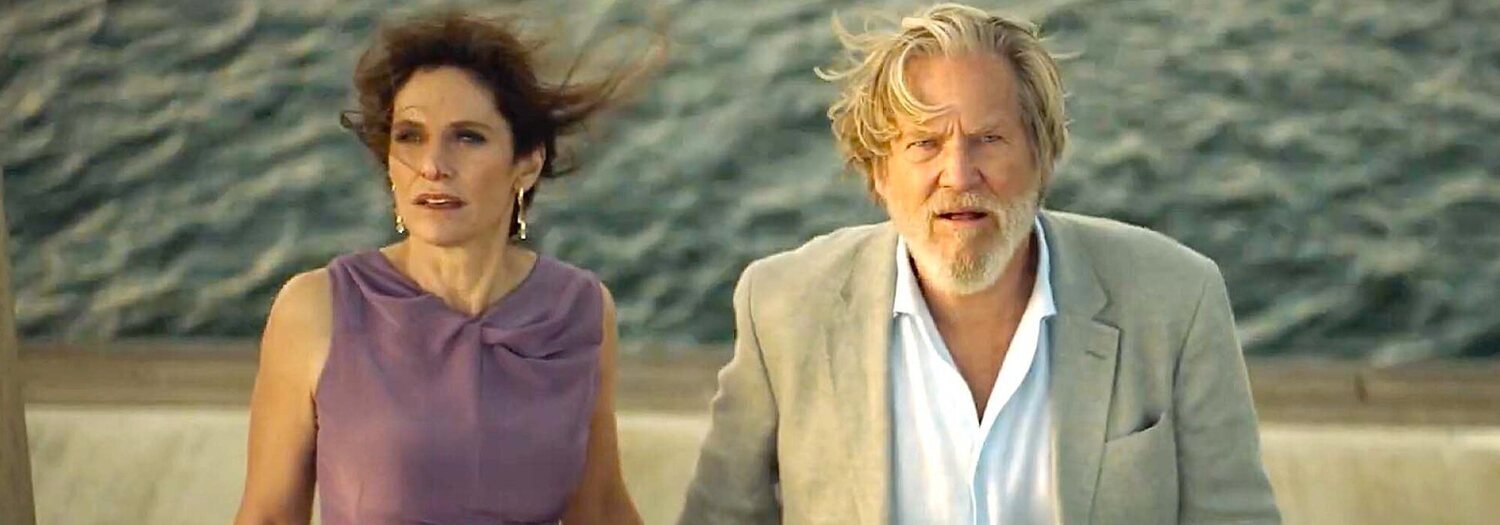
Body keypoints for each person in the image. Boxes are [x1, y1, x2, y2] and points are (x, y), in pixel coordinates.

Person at [679, 3, 1280, 524]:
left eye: (989, 139)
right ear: (879, 171)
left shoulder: (1176, 300)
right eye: (925, 143)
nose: (959, 175)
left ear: (1041, 156)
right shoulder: (783, 308)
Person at [235, 11, 643, 525]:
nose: (432, 166)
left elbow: (600, 506)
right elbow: (269, 516)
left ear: (527, 163)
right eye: (410, 136)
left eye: (467, 137)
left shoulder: (580, 309)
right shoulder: (318, 309)